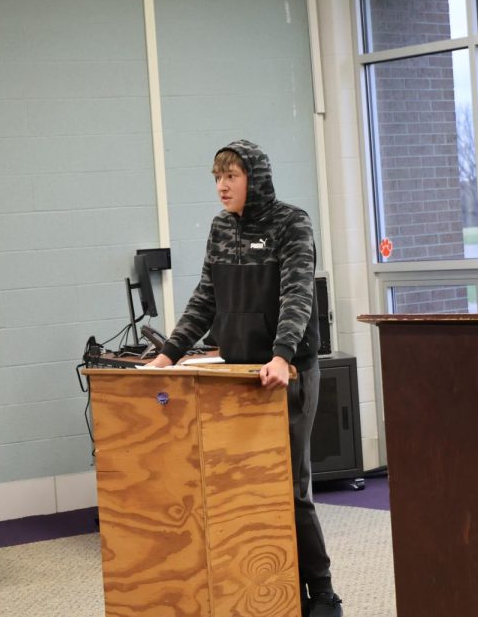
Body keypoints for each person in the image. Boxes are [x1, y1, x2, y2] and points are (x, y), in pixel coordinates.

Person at [145, 139, 343, 617]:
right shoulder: (220, 228)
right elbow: (205, 297)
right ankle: (267, 587)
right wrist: (168, 355)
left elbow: (298, 296)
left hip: (287, 373)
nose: (222, 186)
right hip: (234, 377)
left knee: (288, 488)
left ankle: (322, 592)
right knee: (241, 490)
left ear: (254, 179)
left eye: (231, 176)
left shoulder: (291, 222)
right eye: (217, 178)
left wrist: (280, 355)